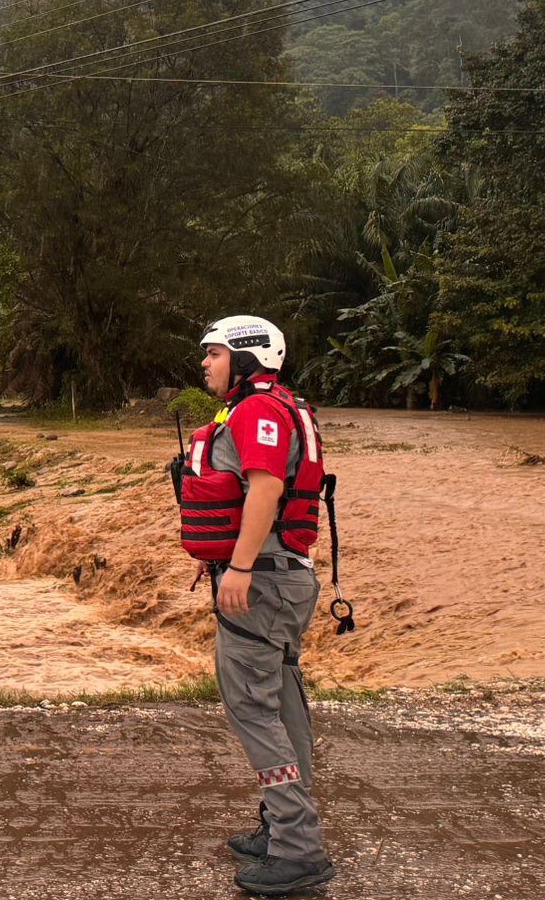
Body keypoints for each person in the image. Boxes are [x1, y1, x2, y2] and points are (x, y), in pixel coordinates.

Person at [174, 315, 338, 896]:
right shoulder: (274, 406)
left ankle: (297, 845)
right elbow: (246, 495)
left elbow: (266, 488)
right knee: (281, 699)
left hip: (264, 581)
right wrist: (218, 555)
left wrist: (239, 566)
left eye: (213, 353)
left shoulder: (259, 410)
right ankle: (282, 827)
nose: (204, 363)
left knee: (253, 709)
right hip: (280, 575)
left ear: (244, 358)